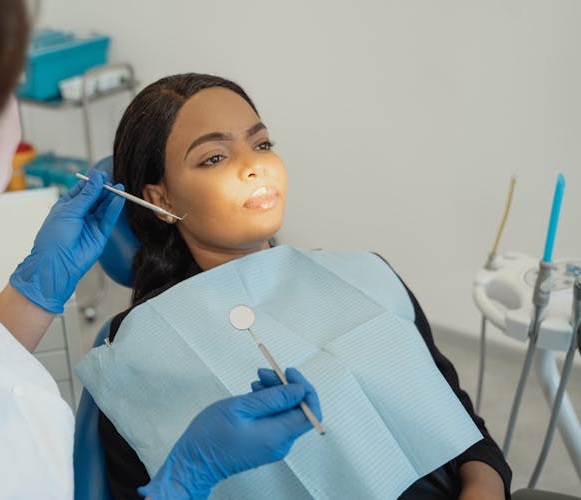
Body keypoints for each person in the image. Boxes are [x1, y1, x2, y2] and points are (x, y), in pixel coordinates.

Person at [0, 3, 322, 499]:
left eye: (262, 144)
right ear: (159, 199)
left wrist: (34, 292)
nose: (5, 136)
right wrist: (182, 480)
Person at [96, 73, 513, 499]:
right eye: (214, 158)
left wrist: (483, 489)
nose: (254, 166)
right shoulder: (138, 352)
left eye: (261, 145)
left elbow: (466, 432)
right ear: (162, 201)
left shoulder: (366, 276)